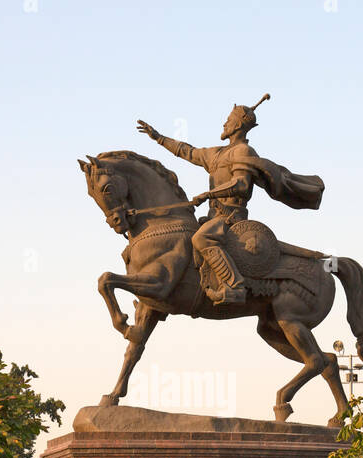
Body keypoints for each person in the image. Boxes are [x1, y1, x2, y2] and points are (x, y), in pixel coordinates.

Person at [138, 95, 324, 305]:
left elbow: (241, 185)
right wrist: (159, 138)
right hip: (212, 218)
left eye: (228, 120)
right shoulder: (216, 154)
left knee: (201, 239)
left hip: (231, 218)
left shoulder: (243, 151)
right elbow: (187, 151)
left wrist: (208, 194)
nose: (224, 123)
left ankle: (233, 286)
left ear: (237, 125)